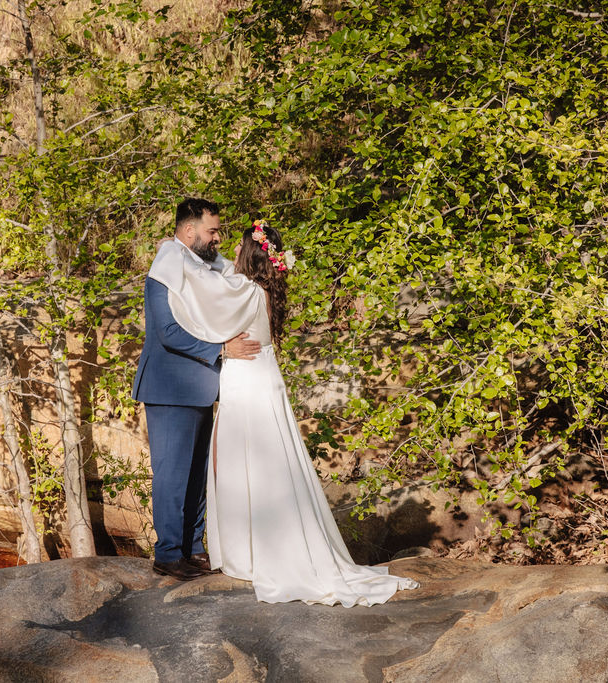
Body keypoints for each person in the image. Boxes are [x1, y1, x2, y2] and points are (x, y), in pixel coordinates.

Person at [156, 218, 420, 605]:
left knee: (242, 463)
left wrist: (173, 252)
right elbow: (221, 277)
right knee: (269, 462)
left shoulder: (243, 290)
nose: (229, 253)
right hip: (263, 378)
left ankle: (249, 553)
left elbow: (203, 293)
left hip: (246, 384)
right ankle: (259, 547)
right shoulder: (262, 289)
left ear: (248, 254)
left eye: (238, 249)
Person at [132, 198, 261, 581]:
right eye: (212, 230)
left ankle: (194, 548)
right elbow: (167, 333)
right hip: (170, 388)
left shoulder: (203, 268)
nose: (217, 237)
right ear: (190, 231)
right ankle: (168, 554)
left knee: (197, 475)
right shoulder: (164, 270)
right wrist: (221, 349)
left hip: (204, 387)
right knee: (171, 474)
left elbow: (233, 282)